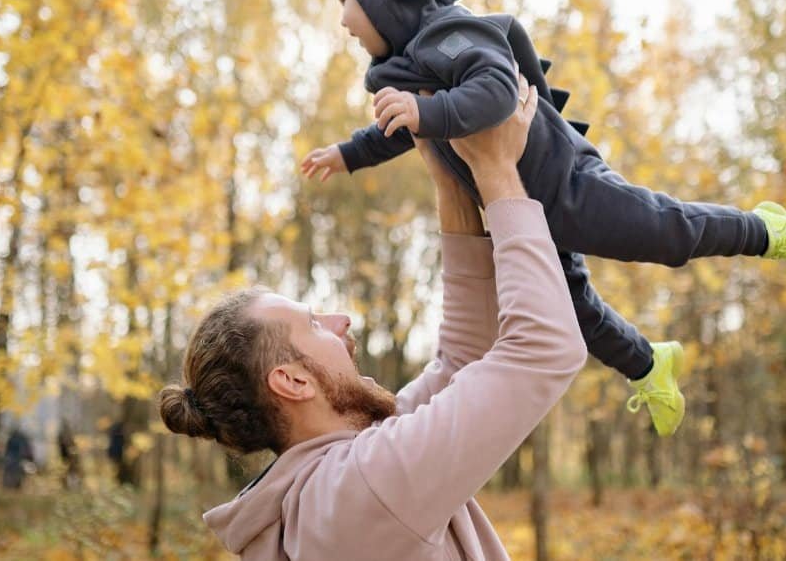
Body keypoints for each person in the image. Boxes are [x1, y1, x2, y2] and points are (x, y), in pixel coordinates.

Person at [299, 0, 786, 436]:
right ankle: (651, 364)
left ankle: (766, 229)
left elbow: (496, 93)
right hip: (526, 212)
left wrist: (425, 113)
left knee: (662, 233)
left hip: (568, 185)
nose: (342, 19)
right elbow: (402, 126)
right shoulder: (408, 67)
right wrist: (349, 153)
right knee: (576, 313)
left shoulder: (453, 35)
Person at [159, 76, 585, 559]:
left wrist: (450, 181)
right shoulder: (361, 489)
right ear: (293, 381)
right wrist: (497, 171)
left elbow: (462, 362)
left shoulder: (339, 482)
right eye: (315, 324)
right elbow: (544, 349)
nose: (342, 320)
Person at [1, 426, 34, 491]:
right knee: (14, 472)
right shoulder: (21, 439)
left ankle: (12, 486)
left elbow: (8, 449)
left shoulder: (14, 438)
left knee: (14, 472)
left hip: (14, 458)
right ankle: (11, 485)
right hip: (15, 458)